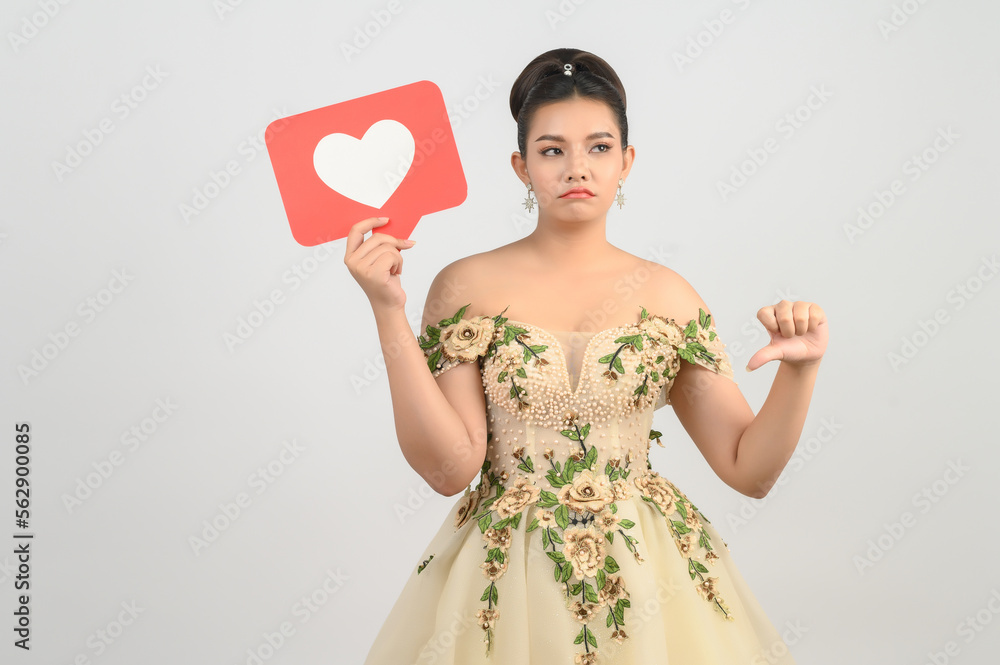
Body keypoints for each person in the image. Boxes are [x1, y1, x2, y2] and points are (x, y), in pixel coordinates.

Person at [346, 47, 827, 665]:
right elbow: (447, 470)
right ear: (521, 166)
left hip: (649, 577)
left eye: (599, 147)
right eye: (552, 150)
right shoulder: (466, 285)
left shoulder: (666, 294)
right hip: (505, 581)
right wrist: (387, 308)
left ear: (627, 161)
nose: (577, 166)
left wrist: (800, 369)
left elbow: (748, 470)